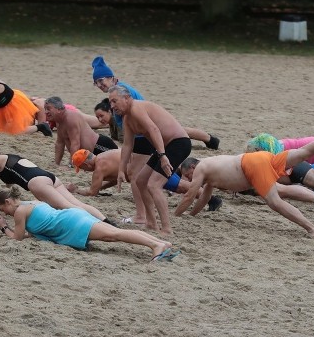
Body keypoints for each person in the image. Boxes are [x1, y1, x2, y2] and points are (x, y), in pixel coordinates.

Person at [175, 136, 314, 237]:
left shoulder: (200, 168)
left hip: (251, 166)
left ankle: (311, 228)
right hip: (261, 158)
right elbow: (204, 198)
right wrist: (191, 215)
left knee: (275, 202)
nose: (190, 179)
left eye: (188, 175)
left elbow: (189, 196)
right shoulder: (210, 171)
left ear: (192, 166)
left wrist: (176, 215)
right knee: (302, 152)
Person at [0, 186, 179, 262]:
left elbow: (17, 238)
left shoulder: (19, 212)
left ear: (8, 202)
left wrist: (3, 227)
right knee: (114, 233)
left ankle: (156, 245)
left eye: (3, 210)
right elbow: (33, 232)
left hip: (72, 223)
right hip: (72, 217)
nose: (5, 214)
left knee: (114, 235)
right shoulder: (31, 203)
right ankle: (160, 244)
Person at [108, 84, 192, 236]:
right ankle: (151, 223)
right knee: (140, 181)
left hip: (178, 143)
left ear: (127, 98)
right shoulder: (127, 119)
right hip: (164, 148)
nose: (112, 106)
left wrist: (162, 156)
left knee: (154, 185)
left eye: (115, 101)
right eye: (110, 102)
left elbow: (154, 130)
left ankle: (167, 229)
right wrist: (121, 169)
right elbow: (127, 145)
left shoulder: (136, 108)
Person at [0, 134, 105, 222]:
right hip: (50, 177)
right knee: (78, 205)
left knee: (67, 207)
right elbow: (9, 186)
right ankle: (105, 221)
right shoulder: (6, 158)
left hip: (37, 183)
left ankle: (96, 224)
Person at [91, 55, 221, 149]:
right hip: (145, 123)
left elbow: (134, 113)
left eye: (101, 80)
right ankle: (210, 139)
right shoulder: (116, 91)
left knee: (178, 132)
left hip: (149, 121)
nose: (99, 84)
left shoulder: (122, 91)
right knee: (180, 131)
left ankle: (209, 139)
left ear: (111, 78)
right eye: (96, 82)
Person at [70, 148, 226, 213]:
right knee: (176, 185)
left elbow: (92, 192)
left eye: (82, 167)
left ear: (85, 163)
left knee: (179, 186)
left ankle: (212, 199)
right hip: (145, 160)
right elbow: (118, 177)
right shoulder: (104, 156)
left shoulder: (99, 168)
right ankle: (210, 198)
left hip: (144, 167)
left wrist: (76, 190)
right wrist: (104, 188)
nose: (84, 170)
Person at [43, 96, 118, 167]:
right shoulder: (59, 121)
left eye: (48, 109)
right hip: (90, 154)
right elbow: (60, 143)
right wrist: (57, 163)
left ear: (59, 109)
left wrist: (71, 164)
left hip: (99, 146)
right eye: (45, 109)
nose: (46, 112)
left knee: (121, 158)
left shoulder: (70, 118)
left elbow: (75, 143)